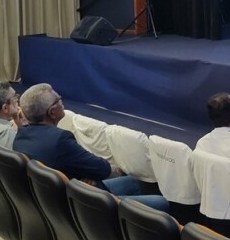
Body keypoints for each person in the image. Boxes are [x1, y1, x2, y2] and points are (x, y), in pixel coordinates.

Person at [13, 83, 167, 210]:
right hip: (88, 205)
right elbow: (103, 169)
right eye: (58, 99)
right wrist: (82, 179)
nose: (61, 101)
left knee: (135, 181)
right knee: (162, 203)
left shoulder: (20, 138)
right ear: (52, 112)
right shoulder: (59, 140)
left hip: (59, 200)